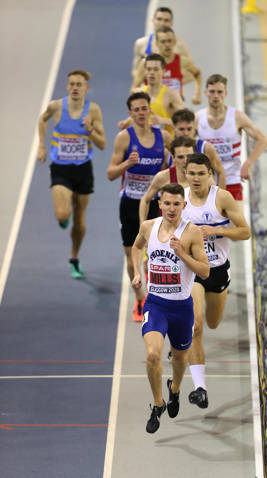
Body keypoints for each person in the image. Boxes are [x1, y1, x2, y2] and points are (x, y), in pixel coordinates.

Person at [131, 183, 209, 433]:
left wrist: (182, 254)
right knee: (153, 355)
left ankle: (174, 389)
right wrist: (136, 273)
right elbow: (136, 247)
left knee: (179, 358)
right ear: (160, 205)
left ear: (184, 206)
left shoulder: (192, 233)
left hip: (181, 308)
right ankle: (157, 404)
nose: (172, 208)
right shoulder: (148, 226)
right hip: (156, 304)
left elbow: (205, 272)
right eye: (167, 203)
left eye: (177, 204)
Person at [182, 153, 250, 408]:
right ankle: (200, 388)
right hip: (192, 272)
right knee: (196, 325)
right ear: (186, 174)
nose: (197, 178)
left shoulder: (221, 197)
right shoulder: (180, 199)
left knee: (212, 323)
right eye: (192, 173)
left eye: (202, 173)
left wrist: (217, 230)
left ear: (210, 174)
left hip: (218, 271)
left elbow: (245, 231)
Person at [107, 91, 171, 322]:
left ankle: (157, 297)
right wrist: (128, 163)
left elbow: (179, 157)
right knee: (131, 255)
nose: (141, 113)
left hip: (156, 203)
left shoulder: (163, 136)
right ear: (130, 114)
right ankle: (139, 298)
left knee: (156, 254)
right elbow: (110, 174)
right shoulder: (124, 138)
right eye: (137, 110)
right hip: (130, 203)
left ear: (149, 110)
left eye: (145, 108)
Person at [37, 69, 106, 279]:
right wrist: (41, 145)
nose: (75, 88)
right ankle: (62, 217)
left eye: (79, 85)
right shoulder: (56, 106)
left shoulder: (93, 111)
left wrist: (89, 130)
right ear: (67, 86)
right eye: (72, 84)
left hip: (84, 170)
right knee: (63, 214)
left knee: (80, 220)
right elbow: (42, 119)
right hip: (61, 168)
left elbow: (102, 144)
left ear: (86, 88)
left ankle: (74, 258)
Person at [196, 74, 267, 200]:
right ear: (206, 92)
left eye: (219, 92)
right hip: (206, 182)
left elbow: (263, 140)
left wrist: (247, 164)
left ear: (226, 93)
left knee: (234, 219)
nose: (216, 96)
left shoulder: (237, 116)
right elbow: (184, 144)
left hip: (232, 179)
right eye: (212, 92)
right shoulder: (198, 118)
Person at [132, 26, 202, 105]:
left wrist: (197, 94)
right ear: (157, 44)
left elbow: (197, 74)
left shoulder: (182, 61)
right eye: (163, 41)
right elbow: (134, 88)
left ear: (174, 42)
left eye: (169, 41)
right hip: (153, 109)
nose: (167, 45)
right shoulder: (146, 63)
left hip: (176, 109)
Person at [119, 53, 185, 136]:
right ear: (145, 71)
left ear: (163, 71)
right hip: (141, 145)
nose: (152, 73)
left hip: (164, 146)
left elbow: (185, 121)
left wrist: (163, 120)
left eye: (156, 69)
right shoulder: (138, 93)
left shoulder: (171, 94)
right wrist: (127, 122)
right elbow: (137, 117)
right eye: (149, 69)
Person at [139, 136, 197, 224]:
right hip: (169, 232)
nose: (186, 161)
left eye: (189, 156)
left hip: (195, 230)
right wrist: (142, 227)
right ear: (173, 157)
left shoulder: (204, 178)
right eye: (180, 157)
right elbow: (145, 200)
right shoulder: (163, 177)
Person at [131, 6, 194, 84]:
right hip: (148, 93)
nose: (162, 23)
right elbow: (135, 70)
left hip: (172, 94)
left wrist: (172, 84)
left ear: (171, 23)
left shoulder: (179, 45)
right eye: (159, 19)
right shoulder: (141, 43)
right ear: (153, 20)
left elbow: (192, 73)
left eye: (166, 20)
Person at [172, 109, 226, 189]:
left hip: (203, 195)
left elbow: (221, 172)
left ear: (194, 128)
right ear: (174, 129)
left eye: (189, 129)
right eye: (181, 129)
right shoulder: (169, 148)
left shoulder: (206, 148)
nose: (186, 133)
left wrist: (220, 198)